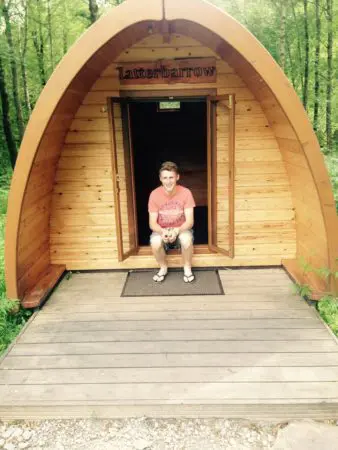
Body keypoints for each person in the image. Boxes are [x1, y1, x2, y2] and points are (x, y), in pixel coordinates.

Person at [148, 161, 195, 283]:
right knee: (155, 241)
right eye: (165, 178)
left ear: (177, 177)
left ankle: (187, 268)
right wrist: (162, 231)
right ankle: (163, 268)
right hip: (162, 229)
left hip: (181, 228)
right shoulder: (154, 194)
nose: (168, 181)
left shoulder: (186, 193)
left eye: (171, 177)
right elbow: (152, 223)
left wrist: (177, 230)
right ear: (160, 179)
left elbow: (190, 221)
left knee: (186, 239)